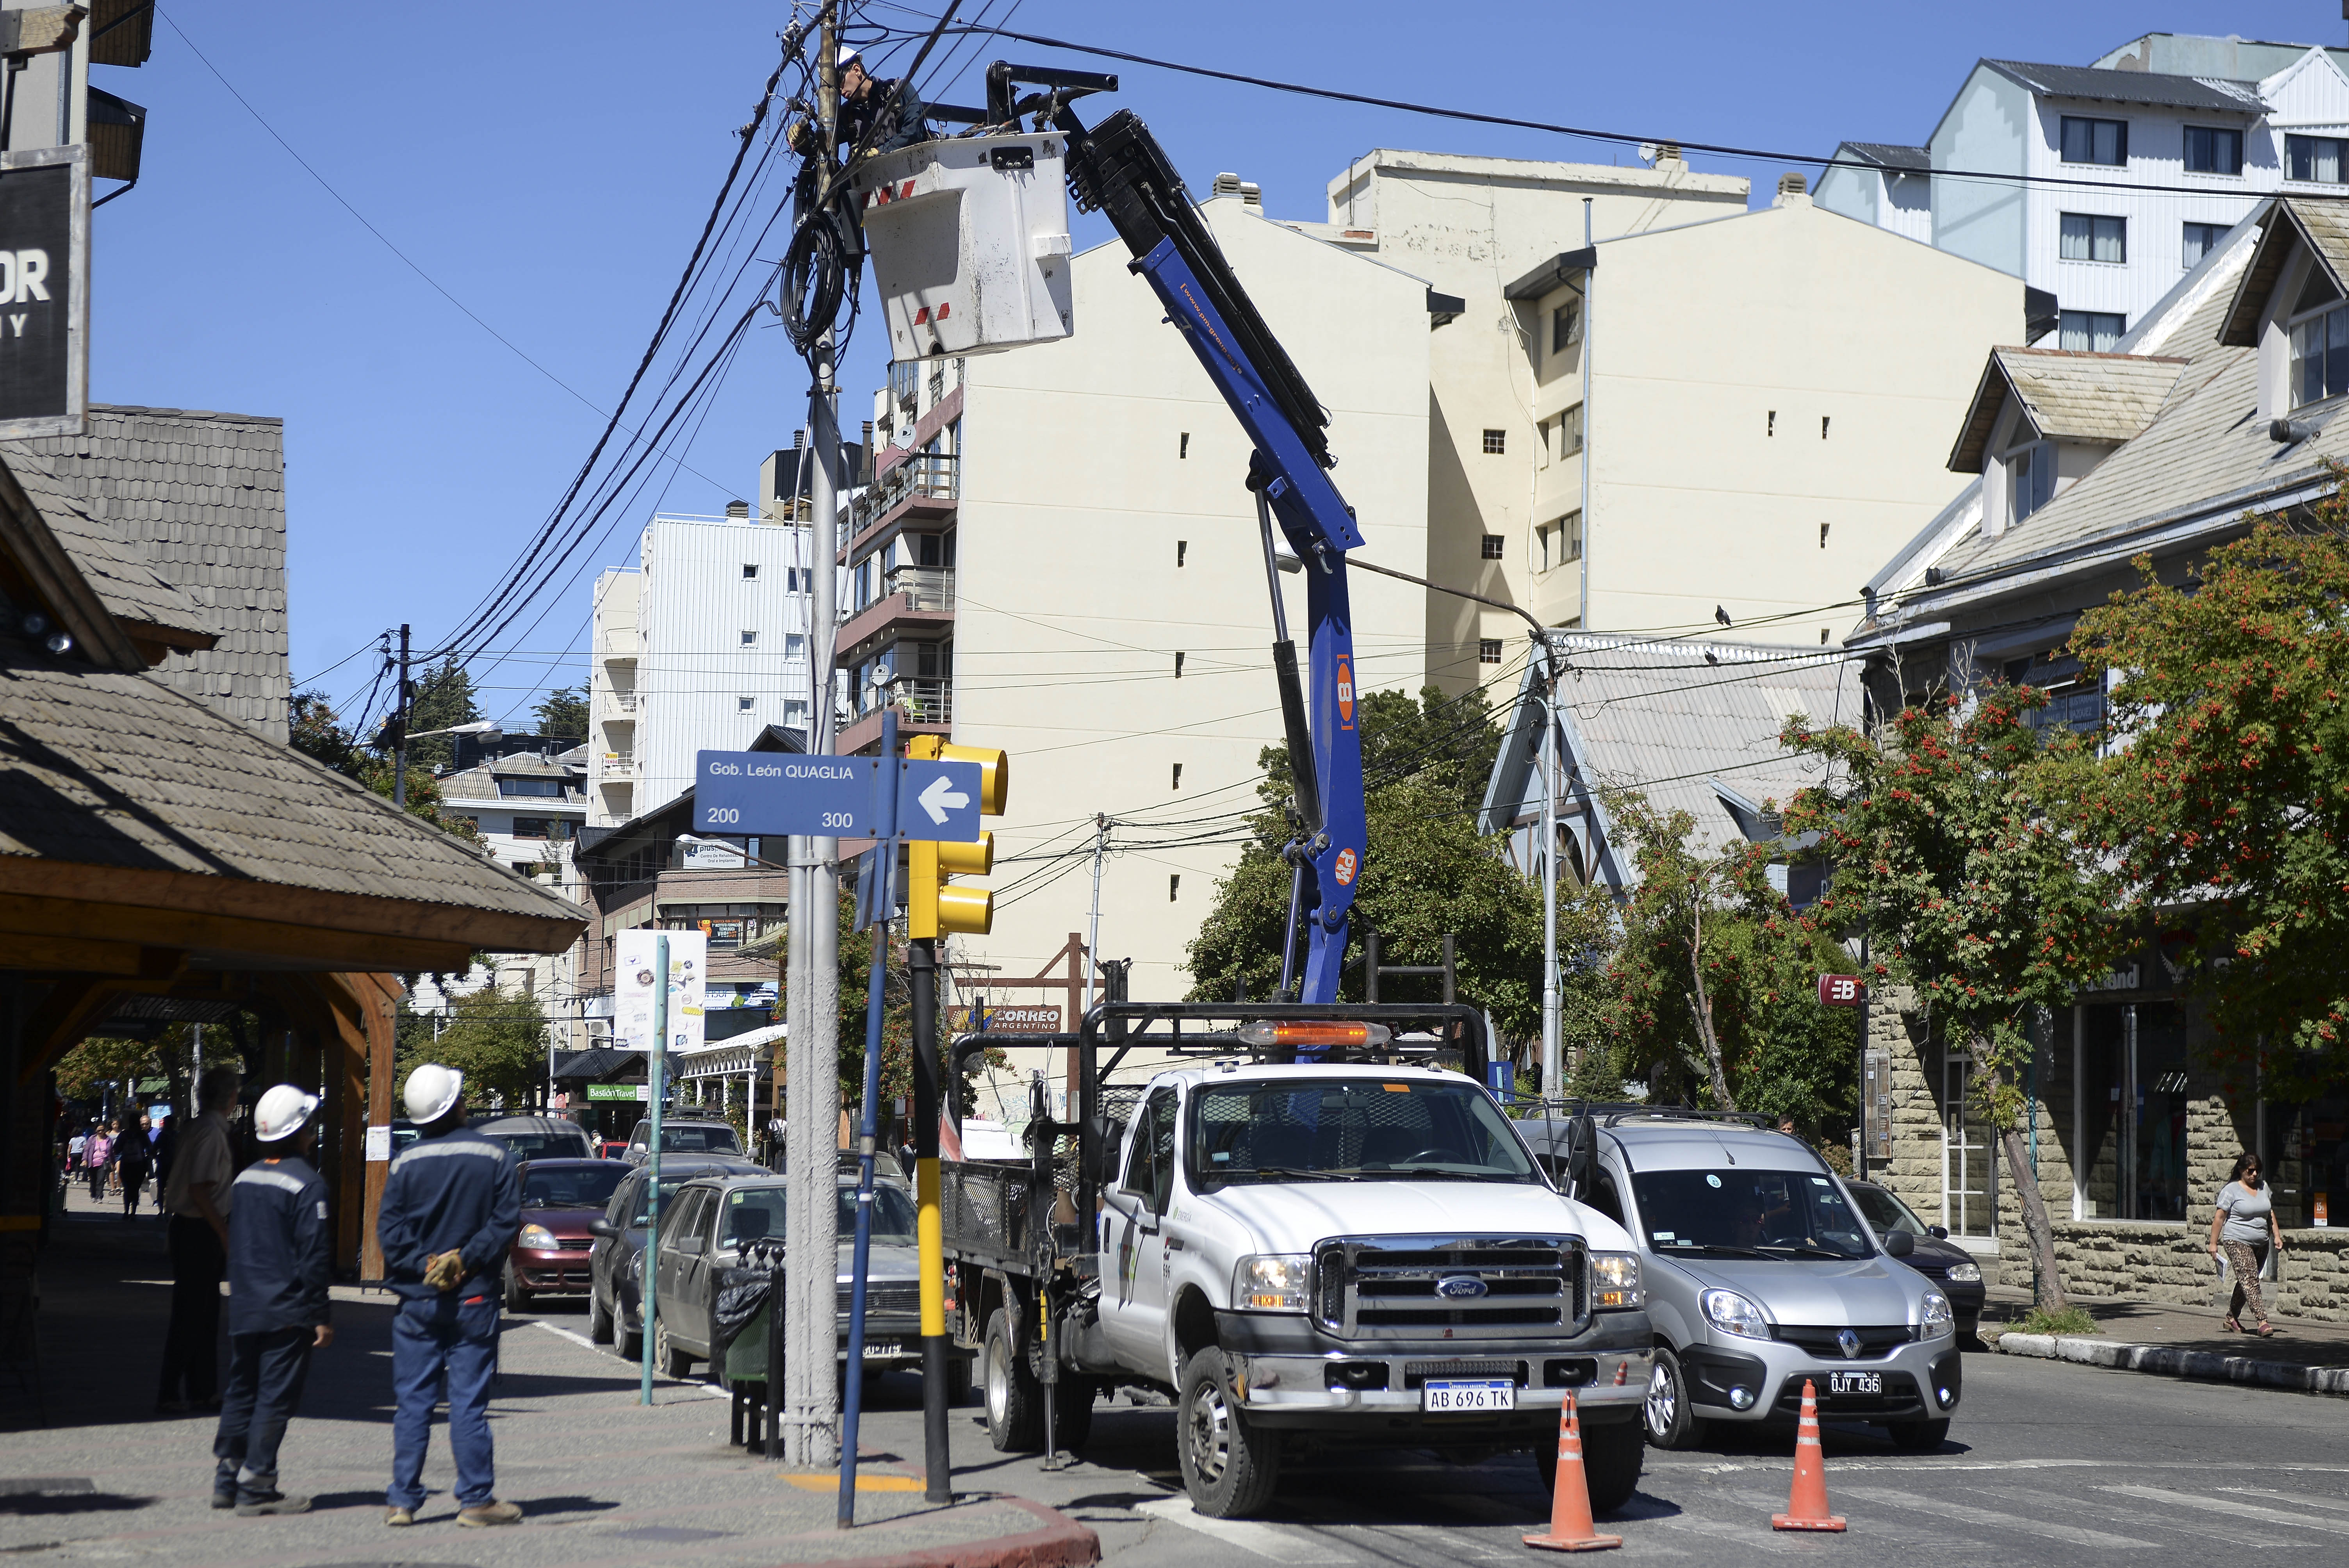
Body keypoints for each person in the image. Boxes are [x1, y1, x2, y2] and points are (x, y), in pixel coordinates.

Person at [376, 1063, 524, 1528]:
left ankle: (402, 1500)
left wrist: (426, 1261)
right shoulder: (496, 1156)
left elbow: (389, 1231)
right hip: (474, 1298)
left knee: (413, 1402)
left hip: (418, 1299)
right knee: (468, 1403)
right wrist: (465, 1259)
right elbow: (504, 1223)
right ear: (458, 1104)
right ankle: (476, 1499)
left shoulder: (404, 1162)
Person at [211, 1085, 334, 1515]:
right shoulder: (308, 1184)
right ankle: (258, 1486)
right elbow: (314, 1256)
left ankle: (227, 1479)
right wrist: (319, 1313)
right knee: (274, 1398)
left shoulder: (246, 1178)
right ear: (301, 1131)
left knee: (241, 1390)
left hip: (246, 1304)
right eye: (311, 1125)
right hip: (287, 1308)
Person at [159, 1067, 241, 1413]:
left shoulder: (201, 1128)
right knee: (193, 1313)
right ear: (230, 1098)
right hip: (199, 1228)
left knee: (204, 1313)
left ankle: (202, 1389)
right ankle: (171, 1391)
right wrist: (223, 1231)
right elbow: (199, 1189)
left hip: (193, 1227)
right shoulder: (210, 1133)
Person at [2208, 1152, 2287, 1336]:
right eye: (2251, 1171)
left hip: (2261, 1242)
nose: (2254, 1175)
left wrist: (2277, 1235)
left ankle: (2231, 1317)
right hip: (2237, 1240)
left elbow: (2270, 1212)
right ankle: (2262, 1321)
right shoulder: (2231, 1190)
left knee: (2247, 1281)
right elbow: (2220, 1218)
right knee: (2251, 1279)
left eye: (2257, 1171)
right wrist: (2213, 1244)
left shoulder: (2263, 1187)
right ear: (2241, 1170)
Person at [116, 1115, 153, 1219]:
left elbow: (116, 1149)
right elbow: (150, 1148)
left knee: (127, 1188)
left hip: (126, 1163)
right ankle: (134, 1213)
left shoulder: (124, 1134)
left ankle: (126, 1211)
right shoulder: (143, 1134)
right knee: (136, 1189)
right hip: (139, 1165)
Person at [85, 1123, 112, 1206]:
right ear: (96, 1130)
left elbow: (111, 1153)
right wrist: (85, 1160)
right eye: (99, 1130)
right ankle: (93, 1195)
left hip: (103, 1163)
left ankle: (99, 1197)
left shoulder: (109, 1140)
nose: (101, 1132)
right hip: (92, 1163)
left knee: (101, 1180)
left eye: (103, 1130)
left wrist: (113, 1163)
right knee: (93, 1181)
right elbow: (87, 1150)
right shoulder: (92, 1139)